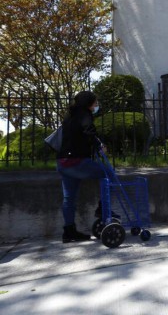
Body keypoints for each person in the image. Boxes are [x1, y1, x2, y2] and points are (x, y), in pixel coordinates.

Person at [57, 91, 108, 243]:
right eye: (95, 102)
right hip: (76, 161)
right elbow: (89, 131)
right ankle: (103, 208)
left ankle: (69, 231)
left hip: (63, 162)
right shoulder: (84, 114)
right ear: (88, 104)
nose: (96, 105)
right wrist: (100, 146)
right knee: (107, 174)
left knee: (69, 198)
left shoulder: (70, 116)